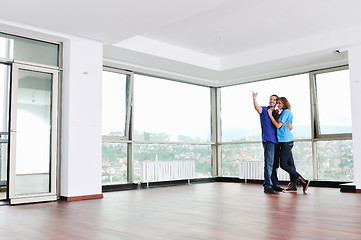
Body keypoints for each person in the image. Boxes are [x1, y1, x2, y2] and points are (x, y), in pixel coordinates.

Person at [268, 97, 310, 193]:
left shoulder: (286, 111)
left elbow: (278, 125)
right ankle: (294, 185)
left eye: (280, 103)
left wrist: (270, 115)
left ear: (284, 103)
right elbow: (286, 125)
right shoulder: (284, 112)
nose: (278, 105)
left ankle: (304, 181)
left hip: (286, 141)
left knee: (283, 164)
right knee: (290, 164)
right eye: (277, 103)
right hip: (284, 141)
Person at [252, 92, 284, 194]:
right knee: (269, 164)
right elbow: (257, 107)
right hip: (268, 140)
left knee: (275, 165)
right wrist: (254, 98)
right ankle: (267, 186)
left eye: (274, 100)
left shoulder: (276, 113)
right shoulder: (264, 110)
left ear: (276, 102)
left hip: (277, 141)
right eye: (271, 99)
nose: (272, 101)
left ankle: (275, 185)